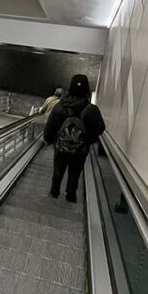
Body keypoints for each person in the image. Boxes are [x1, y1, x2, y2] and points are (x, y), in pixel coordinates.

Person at [43, 74, 105, 203]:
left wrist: (48, 139)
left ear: (70, 88)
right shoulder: (91, 110)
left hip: (61, 147)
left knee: (58, 169)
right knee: (75, 172)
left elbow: (51, 125)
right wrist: (87, 141)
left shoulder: (60, 106)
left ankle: (54, 191)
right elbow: (100, 128)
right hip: (80, 150)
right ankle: (70, 195)